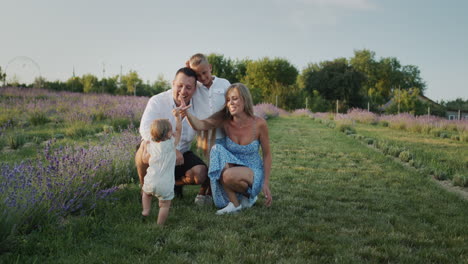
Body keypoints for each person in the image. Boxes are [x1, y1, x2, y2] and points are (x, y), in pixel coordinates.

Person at [180, 83, 272, 215]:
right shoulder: (225, 121)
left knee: (228, 175)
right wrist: (186, 113)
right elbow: (201, 125)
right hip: (233, 166)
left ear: (244, 99)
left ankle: (245, 198)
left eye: (235, 98)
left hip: (253, 170)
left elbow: (267, 154)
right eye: (228, 100)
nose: (231, 103)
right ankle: (237, 202)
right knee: (216, 148)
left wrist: (266, 183)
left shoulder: (259, 124)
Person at [135, 67, 208, 203]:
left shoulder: (198, 105)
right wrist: (170, 148)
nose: (183, 91)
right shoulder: (157, 101)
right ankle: (145, 189)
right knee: (143, 149)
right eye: (179, 86)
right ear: (173, 83)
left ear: (194, 89)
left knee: (201, 173)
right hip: (158, 151)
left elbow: (210, 86)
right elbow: (145, 130)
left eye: (188, 87)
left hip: (182, 154)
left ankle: (173, 185)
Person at [186, 53, 231, 205]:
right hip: (205, 134)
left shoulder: (224, 83)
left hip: (223, 132)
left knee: (220, 164)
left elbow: (231, 104)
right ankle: (207, 190)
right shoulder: (195, 87)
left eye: (204, 72)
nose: (202, 78)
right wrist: (188, 70)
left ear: (210, 68)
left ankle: (211, 193)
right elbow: (182, 81)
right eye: (197, 75)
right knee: (209, 164)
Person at [140, 111, 181, 225]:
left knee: (146, 194)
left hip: (151, 180)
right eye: (170, 130)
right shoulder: (171, 144)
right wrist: (178, 118)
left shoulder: (151, 146)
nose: (172, 132)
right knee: (164, 205)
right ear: (168, 134)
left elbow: (144, 160)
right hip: (165, 184)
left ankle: (146, 210)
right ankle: (159, 226)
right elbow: (179, 131)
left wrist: (144, 148)